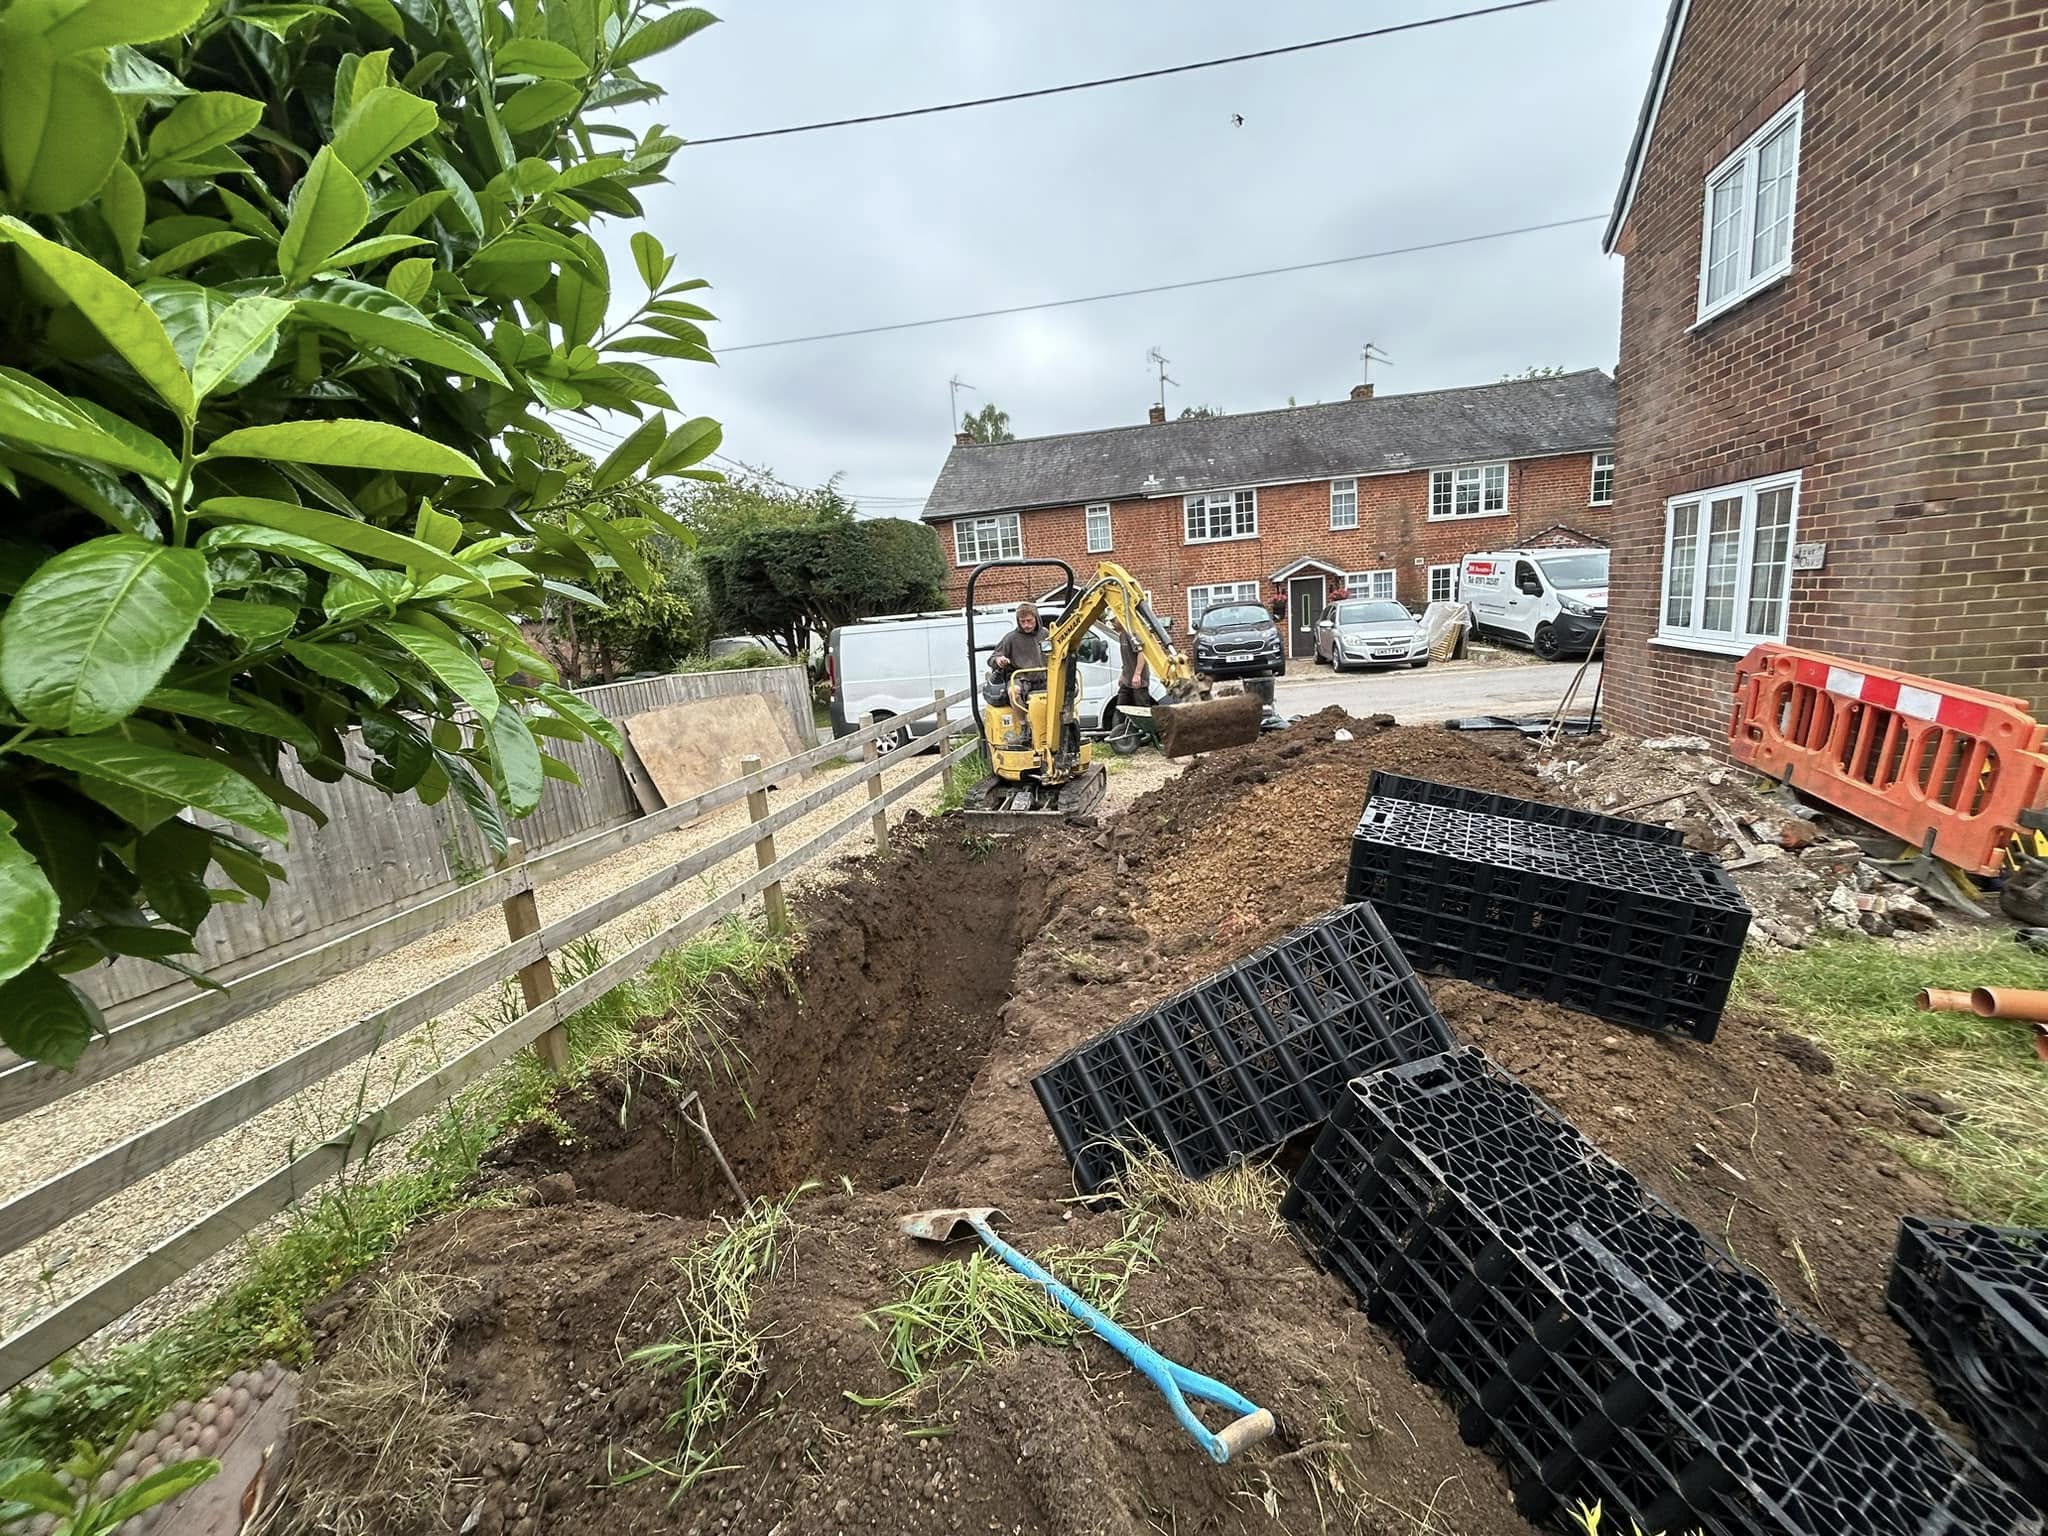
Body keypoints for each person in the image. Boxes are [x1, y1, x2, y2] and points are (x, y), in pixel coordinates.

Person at [986, 601, 1049, 702]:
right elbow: (993, 658)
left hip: (1045, 677)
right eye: (1022, 621)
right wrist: (999, 660)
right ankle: (1022, 718)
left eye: (1029, 621)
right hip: (1021, 678)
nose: (1026, 625)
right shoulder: (1011, 638)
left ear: (1036, 618)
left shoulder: (1046, 634)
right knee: (1013, 692)